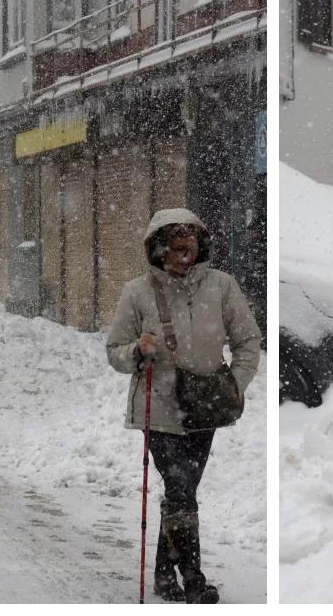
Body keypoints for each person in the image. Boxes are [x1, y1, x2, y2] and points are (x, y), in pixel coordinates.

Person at [105, 209, 262, 604]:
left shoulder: (223, 287)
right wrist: (136, 352)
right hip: (158, 409)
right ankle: (192, 577)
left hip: (205, 409)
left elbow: (248, 341)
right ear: (158, 250)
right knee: (180, 489)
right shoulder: (138, 293)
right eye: (175, 246)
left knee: (183, 492)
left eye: (190, 244)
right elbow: (114, 352)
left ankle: (162, 574)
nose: (183, 253)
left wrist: (233, 386)